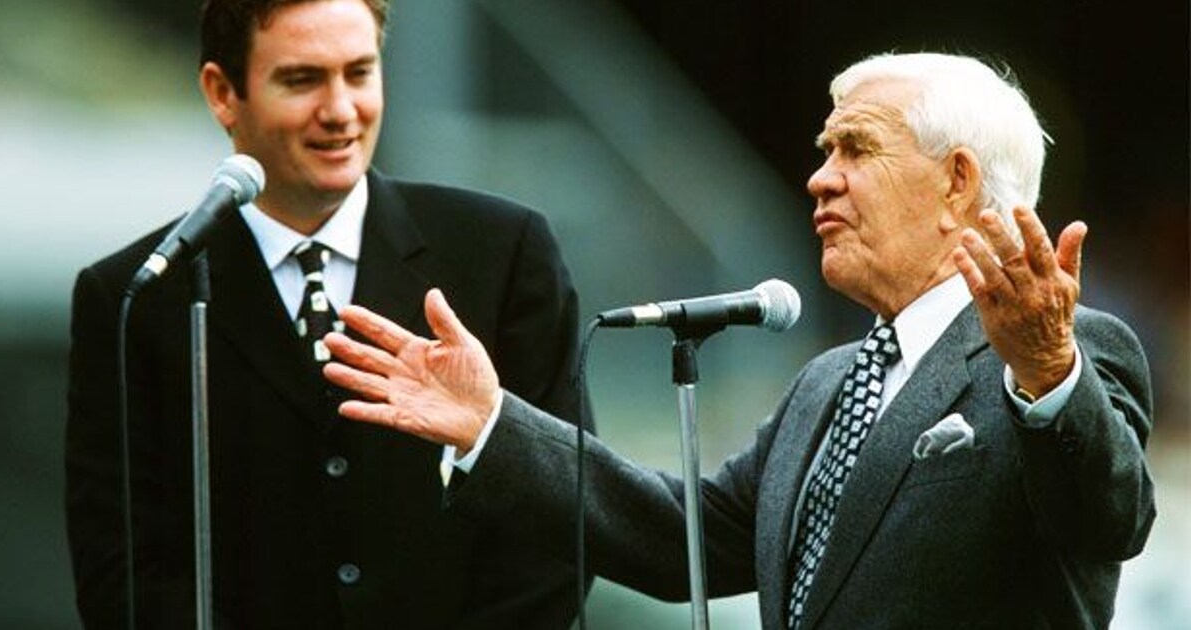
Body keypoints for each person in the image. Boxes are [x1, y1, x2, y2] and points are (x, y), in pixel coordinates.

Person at [321, 52, 1156, 629]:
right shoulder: (828, 384)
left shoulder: (1069, 353)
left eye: (856, 149)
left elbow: (1111, 518)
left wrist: (1047, 369)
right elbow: (679, 538)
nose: (820, 177)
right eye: (825, 150)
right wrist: (493, 427)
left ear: (957, 182)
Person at [64, 0, 587, 628]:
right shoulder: (137, 295)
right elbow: (122, 570)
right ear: (223, 93)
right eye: (302, 79)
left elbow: (562, 522)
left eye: (359, 72)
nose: (340, 110)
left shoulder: (505, 253)